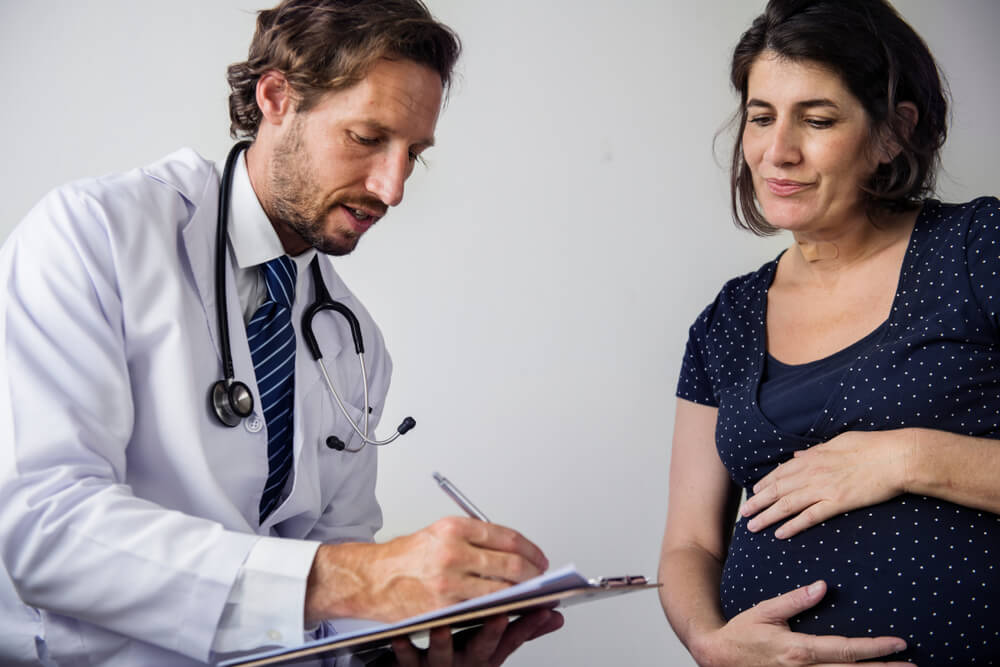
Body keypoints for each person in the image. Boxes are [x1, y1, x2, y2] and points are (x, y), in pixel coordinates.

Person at [0, 1, 563, 665]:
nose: (393, 187)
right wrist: (357, 577)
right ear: (276, 96)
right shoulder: (93, 237)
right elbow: (46, 531)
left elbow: (330, 612)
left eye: (415, 154)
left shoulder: (354, 346)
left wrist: (394, 653)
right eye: (368, 137)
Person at [658, 0, 999, 664]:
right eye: (761, 118)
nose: (777, 151)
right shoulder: (725, 322)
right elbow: (689, 544)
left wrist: (907, 458)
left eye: (816, 120)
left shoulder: (978, 249)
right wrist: (710, 641)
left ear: (892, 133)